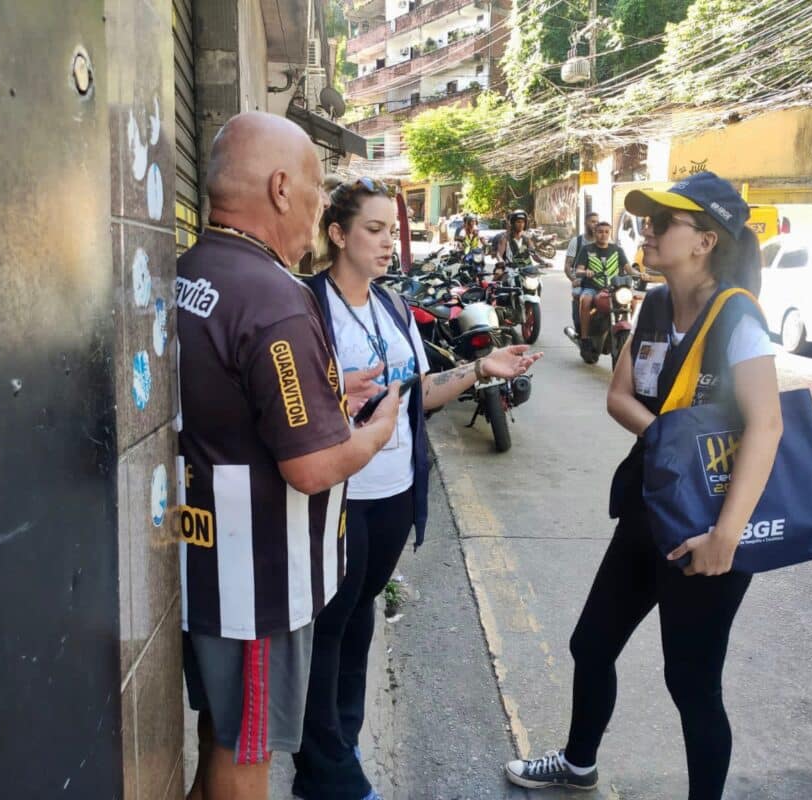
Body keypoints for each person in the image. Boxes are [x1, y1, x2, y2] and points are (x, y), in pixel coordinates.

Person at [504, 171, 783, 799]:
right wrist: (667, 438)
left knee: (691, 682)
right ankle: (579, 765)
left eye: (663, 222)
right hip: (650, 508)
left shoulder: (738, 316)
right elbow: (619, 394)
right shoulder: (655, 304)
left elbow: (767, 426)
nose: (646, 231)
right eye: (645, 220)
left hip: (706, 527)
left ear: (705, 240)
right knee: (591, 643)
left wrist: (725, 537)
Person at [177, 112, 401, 800]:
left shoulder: (192, 270)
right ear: (280, 188)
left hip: (201, 563)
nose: (314, 206)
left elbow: (237, 396)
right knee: (246, 749)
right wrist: (374, 431)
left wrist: (331, 388)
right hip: (257, 584)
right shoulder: (275, 297)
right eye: (312, 187)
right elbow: (308, 465)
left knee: (220, 731)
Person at [296, 176, 543, 800]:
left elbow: (418, 397)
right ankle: (327, 774)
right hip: (339, 499)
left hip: (396, 496)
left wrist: (481, 369)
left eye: (389, 231)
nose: (387, 244)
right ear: (337, 234)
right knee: (328, 631)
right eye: (373, 231)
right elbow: (295, 410)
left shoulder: (394, 307)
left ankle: (341, 743)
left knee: (357, 626)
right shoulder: (308, 308)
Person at [569, 220, 632, 341]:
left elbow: (629, 269)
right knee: (585, 300)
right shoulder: (586, 249)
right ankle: (584, 337)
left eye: (606, 232)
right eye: (600, 232)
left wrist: (641, 274)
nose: (603, 235)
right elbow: (578, 270)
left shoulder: (617, 250)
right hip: (591, 288)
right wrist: (585, 272)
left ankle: (630, 335)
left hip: (613, 289)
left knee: (633, 302)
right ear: (595, 232)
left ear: (610, 233)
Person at [564, 211, 600, 279]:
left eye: (597, 222)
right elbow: (567, 266)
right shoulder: (576, 241)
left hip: (599, 281)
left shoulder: (603, 242)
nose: (595, 224)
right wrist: (574, 280)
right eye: (593, 222)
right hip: (581, 281)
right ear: (585, 223)